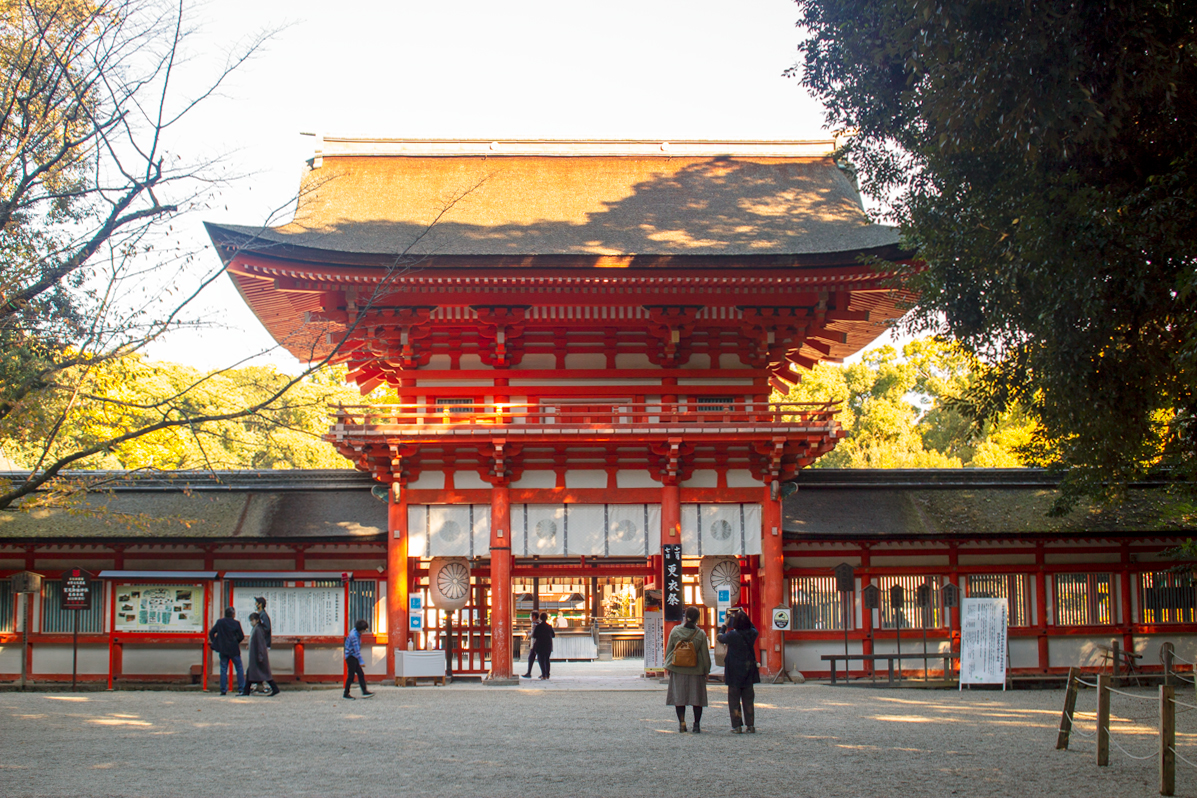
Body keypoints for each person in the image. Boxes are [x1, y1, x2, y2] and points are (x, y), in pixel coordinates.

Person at [665, 606, 712, 733]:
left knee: (679, 698)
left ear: (685, 617)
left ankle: (682, 723)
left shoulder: (675, 631)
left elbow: (669, 650)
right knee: (697, 698)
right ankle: (696, 724)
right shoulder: (700, 634)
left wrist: (667, 666)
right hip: (696, 670)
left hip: (678, 668)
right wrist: (707, 670)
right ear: (698, 619)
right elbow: (704, 654)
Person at [718, 610, 760, 733]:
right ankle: (750, 725)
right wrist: (745, 617)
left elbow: (720, 637)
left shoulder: (732, 635)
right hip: (748, 669)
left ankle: (736, 726)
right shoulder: (752, 634)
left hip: (734, 670)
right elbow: (753, 628)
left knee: (734, 699)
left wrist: (725, 625)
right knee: (748, 699)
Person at [238, 612, 279, 697]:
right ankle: (246, 690)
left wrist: (260, 656)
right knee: (253, 672)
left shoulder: (258, 630)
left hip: (258, 656)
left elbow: (260, 643)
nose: (251, 622)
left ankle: (274, 688)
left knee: (264, 674)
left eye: (252, 620)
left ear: (257, 620)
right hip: (256, 655)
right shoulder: (256, 629)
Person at [208, 607, 245, 696]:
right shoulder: (236, 623)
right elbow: (241, 636)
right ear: (233, 614)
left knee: (223, 669)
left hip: (223, 648)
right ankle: (241, 688)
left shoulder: (220, 622)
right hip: (234, 648)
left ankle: (223, 689)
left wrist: (216, 642)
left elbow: (211, 633)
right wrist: (236, 642)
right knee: (239, 668)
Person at [343, 619, 375, 699]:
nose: (365, 631)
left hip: (353, 656)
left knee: (360, 673)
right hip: (351, 656)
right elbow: (356, 650)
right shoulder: (354, 636)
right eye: (364, 629)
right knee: (351, 675)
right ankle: (346, 693)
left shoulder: (355, 632)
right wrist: (361, 661)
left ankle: (364, 691)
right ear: (361, 629)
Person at [530, 611, 555, 679]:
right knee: (547, 659)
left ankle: (543, 674)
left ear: (540, 618)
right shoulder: (549, 627)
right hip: (548, 645)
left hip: (540, 645)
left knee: (541, 659)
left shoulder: (538, 627)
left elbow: (534, 636)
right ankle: (547, 674)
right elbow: (553, 635)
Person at [521, 614, 538, 678]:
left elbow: (533, 634)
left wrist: (528, 633)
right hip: (538, 642)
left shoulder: (534, 624)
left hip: (534, 643)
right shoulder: (538, 623)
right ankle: (545, 673)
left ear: (533, 617)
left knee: (531, 657)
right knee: (542, 659)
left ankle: (529, 672)